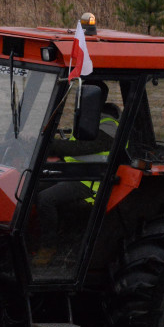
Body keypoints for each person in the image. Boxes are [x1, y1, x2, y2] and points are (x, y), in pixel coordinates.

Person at [33, 100, 120, 261]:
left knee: (46, 199)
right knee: (30, 187)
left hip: (90, 180)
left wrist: (44, 143)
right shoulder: (91, 124)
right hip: (74, 172)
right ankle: (29, 241)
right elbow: (73, 147)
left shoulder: (109, 127)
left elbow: (79, 148)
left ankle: (48, 247)